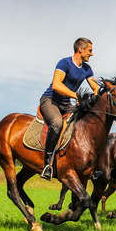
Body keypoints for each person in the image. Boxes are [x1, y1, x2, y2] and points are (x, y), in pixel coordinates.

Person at [39, 37, 99, 180]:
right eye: (90, 50)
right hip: (50, 101)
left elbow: (95, 86)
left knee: (84, 125)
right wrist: (76, 95)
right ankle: (47, 165)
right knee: (57, 123)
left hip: (66, 104)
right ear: (80, 49)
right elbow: (56, 85)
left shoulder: (87, 69)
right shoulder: (64, 63)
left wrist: (97, 95)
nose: (92, 54)